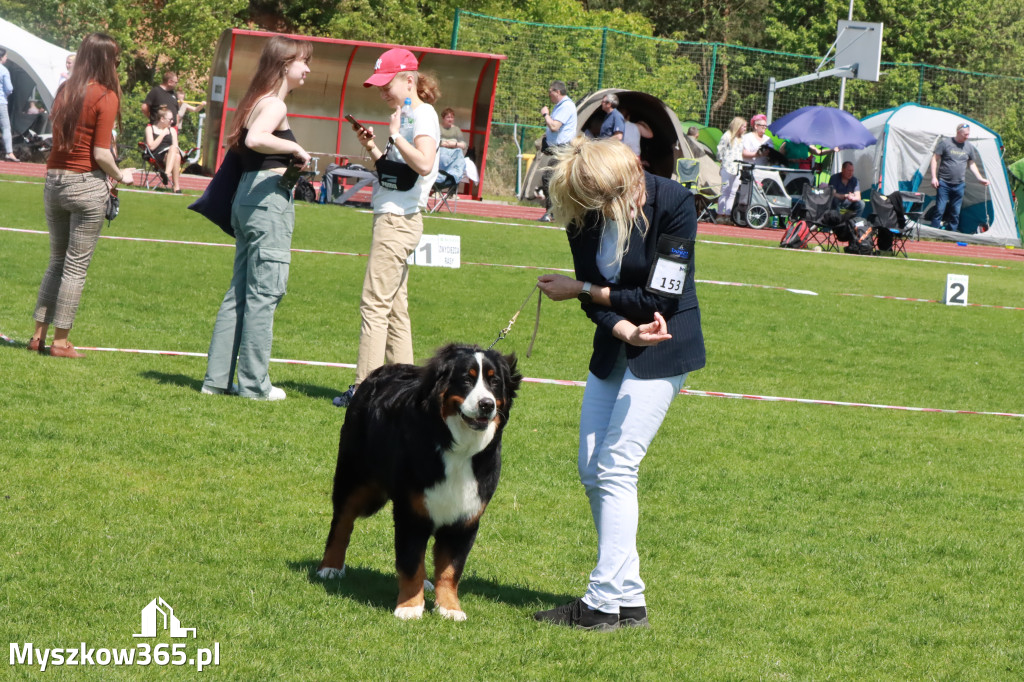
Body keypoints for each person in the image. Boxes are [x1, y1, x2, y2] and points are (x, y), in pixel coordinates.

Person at [533, 137, 705, 631]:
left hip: (667, 342)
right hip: (616, 344)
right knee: (593, 469)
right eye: (605, 201)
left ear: (634, 169)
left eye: (623, 192)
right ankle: (629, 603)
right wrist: (621, 326)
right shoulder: (581, 208)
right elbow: (595, 303)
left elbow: (660, 297)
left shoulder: (673, 202)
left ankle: (601, 603)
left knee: (616, 466)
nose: (623, 206)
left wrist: (584, 289)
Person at [200, 36, 312, 400]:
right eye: (302, 61)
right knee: (265, 292)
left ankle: (216, 381)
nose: (307, 68)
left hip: (246, 199)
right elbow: (257, 140)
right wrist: (294, 147)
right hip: (266, 201)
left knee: (240, 293)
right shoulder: (274, 105)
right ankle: (253, 384)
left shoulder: (255, 101)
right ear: (284, 65)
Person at [333, 48, 440, 408]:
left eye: (386, 85)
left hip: (398, 221)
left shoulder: (422, 117)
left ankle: (364, 391)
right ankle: (408, 387)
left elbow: (424, 164)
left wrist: (395, 137)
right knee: (394, 307)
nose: (382, 93)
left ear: (409, 79)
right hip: (396, 216)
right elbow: (398, 176)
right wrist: (375, 147)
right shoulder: (408, 116)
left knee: (374, 305)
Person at [27, 33, 137, 358]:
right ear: (106, 59)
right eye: (116, 58)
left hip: (54, 181)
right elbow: (101, 152)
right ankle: (61, 342)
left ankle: (38, 336)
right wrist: (121, 175)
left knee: (56, 262)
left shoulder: (65, 90)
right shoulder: (106, 96)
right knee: (75, 267)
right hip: (86, 184)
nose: (118, 64)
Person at [930, 122, 989, 232]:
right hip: (944, 183)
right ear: (958, 133)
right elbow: (934, 159)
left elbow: (971, 164)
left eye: (968, 134)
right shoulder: (945, 144)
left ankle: (951, 233)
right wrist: (934, 177)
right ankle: (933, 232)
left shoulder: (969, 147)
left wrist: (980, 178)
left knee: (955, 211)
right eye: (965, 134)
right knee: (940, 209)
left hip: (959, 185)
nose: (967, 136)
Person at [538, 80, 577, 222]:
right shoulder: (560, 106)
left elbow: (555, 126)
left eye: (550, 92)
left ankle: (552, 214)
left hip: (563, 150)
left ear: (558, 92)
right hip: (558, 149)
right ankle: (553, 213)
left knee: (550, 178)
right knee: (550, 178)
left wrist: (545, 114)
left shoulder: (566, 106)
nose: (549, 95)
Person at [144, 105, 184, 192]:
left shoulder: (172, 130)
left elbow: (176, 147)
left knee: (176, 154)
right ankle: (175, 185)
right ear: (162, 119)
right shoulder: (150, 128)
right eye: (170, 120)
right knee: (174, 152)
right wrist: (162, 134)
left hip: (170, 156)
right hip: (156, 156)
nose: (172, 122)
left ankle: (166, 174)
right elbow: (151, 146)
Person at [716, 116, 747, 222]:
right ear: (737, 126)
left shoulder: (742, 138)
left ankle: (728, 215)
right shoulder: (727, 136)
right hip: (727, 167)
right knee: (724, 190)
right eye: (743, 126)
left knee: (733, 192)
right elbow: (720, 150)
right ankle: (720, 214)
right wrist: (722, 162)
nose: (745, 129)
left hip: (738, 168)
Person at [438, 106, 466, 181]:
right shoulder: (438, 128)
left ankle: (454, 178)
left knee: (459, 154)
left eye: (452, 117)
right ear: (443, 118)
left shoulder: (456, 129)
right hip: (441, 153)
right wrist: (442, 143)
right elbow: (434, 141)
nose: (450, 119)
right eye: (448, 117)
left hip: (453, 153)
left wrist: (454, 144)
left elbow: (463, 145)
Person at [0, 48, 17, 162]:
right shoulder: (4, 70)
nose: (6, 58)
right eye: (5, 56)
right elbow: (9, 88)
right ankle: (9, 152)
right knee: (6, 127)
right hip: (1, 101)